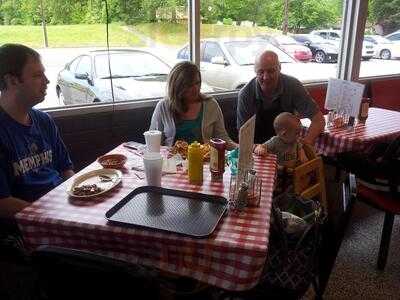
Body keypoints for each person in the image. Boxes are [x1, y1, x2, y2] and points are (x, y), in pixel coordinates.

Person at [0, 44, 74, 221]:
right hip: (26, 228)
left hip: (61, 208)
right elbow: (2, 203)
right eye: (37, 75)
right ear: (12, 81)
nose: (47, 81)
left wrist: (74, 197)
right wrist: (50, 217)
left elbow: (66, 169)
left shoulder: (44, 120)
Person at [237, 50, 325, 146]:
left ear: (279, 68)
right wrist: (258, 150)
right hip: (258, 151)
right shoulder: (245, 94)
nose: (266, 77)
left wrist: (306, 144)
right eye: (261, 72)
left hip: (288, 149)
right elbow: (243, 137)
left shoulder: (293, 86)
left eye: (271, 71)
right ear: (255, 72)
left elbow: (318, 119)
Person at [150, 61, 237, 149]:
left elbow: (223, 138)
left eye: (197, 83)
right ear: (177, 86)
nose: (195, 88)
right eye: (189, 85)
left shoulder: (211, 104)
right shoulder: (163, 106)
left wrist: (243, 148)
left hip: (203, 160)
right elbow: (153, 141)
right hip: (171, 160)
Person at [254, 112, 313, 193]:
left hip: (293, 172)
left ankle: (293, 193)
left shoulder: (295, 142)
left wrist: (304, 160)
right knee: (272, 185)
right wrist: (260, 149)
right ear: (284, 133)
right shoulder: (275, 141)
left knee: (307, 176)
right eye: (296, 133)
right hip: (279, 173)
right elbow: (261, 146)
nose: (299, 136)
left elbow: (301, 153)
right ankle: (288, 194)